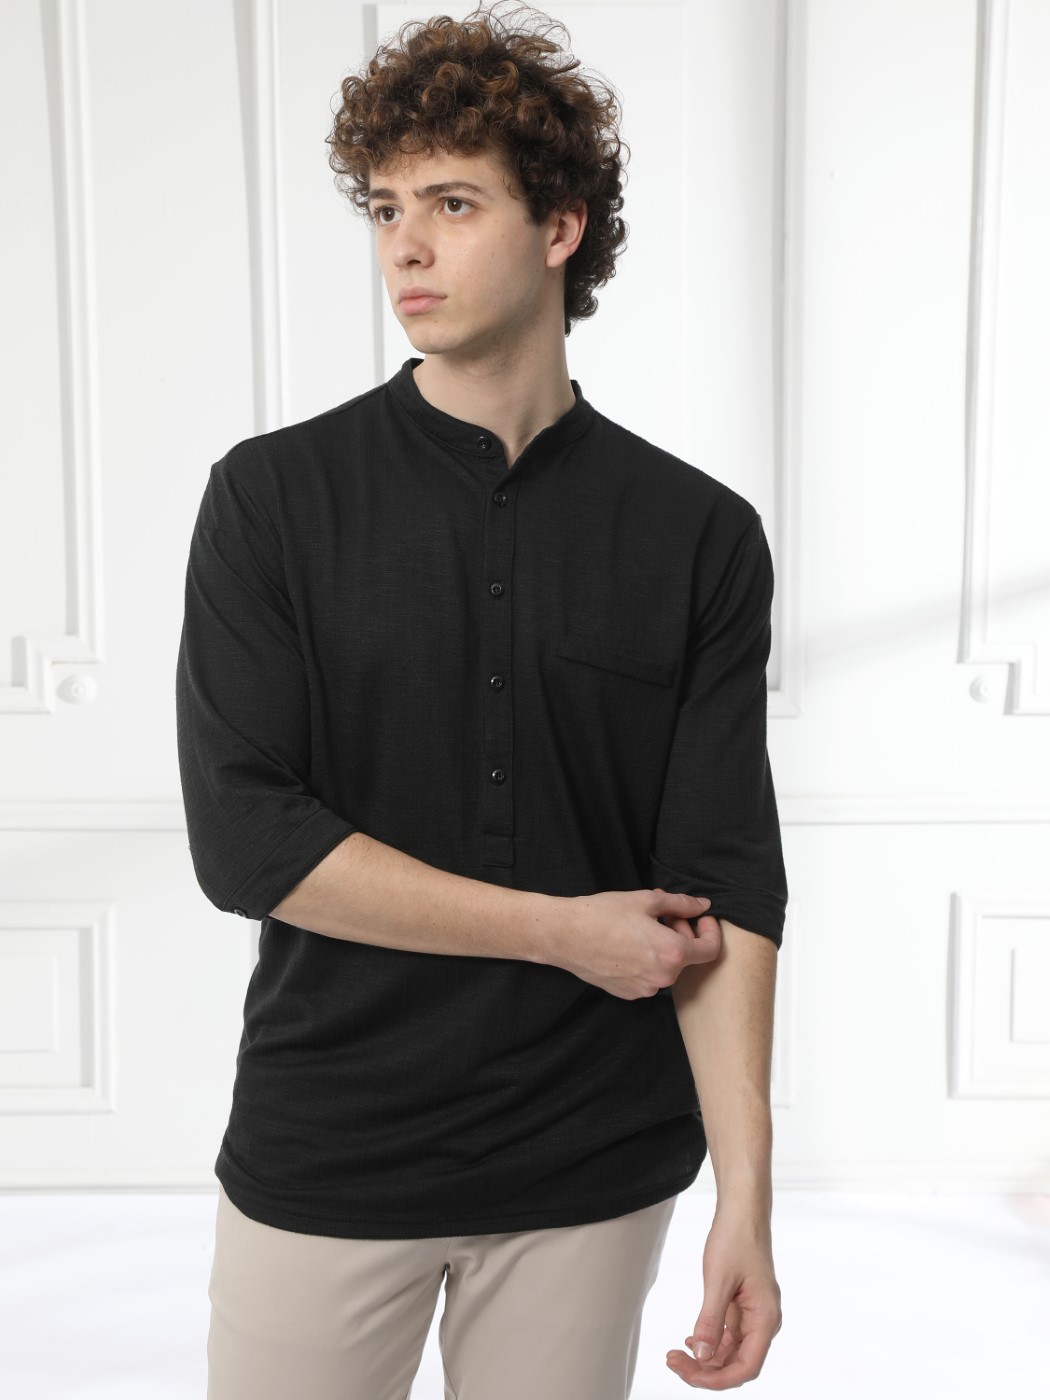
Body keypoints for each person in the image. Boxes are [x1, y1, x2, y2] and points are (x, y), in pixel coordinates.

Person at [175, 3, 788, 1396]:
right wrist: (560, 932)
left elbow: (726, 878)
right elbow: (248, 842)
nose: (405, 245)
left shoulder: (698, 535)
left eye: (452, 204)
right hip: (332, 1144)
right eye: (386, 207)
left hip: (592, 1161)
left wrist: (745, 1202)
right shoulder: (272, 499)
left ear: (560, 227)